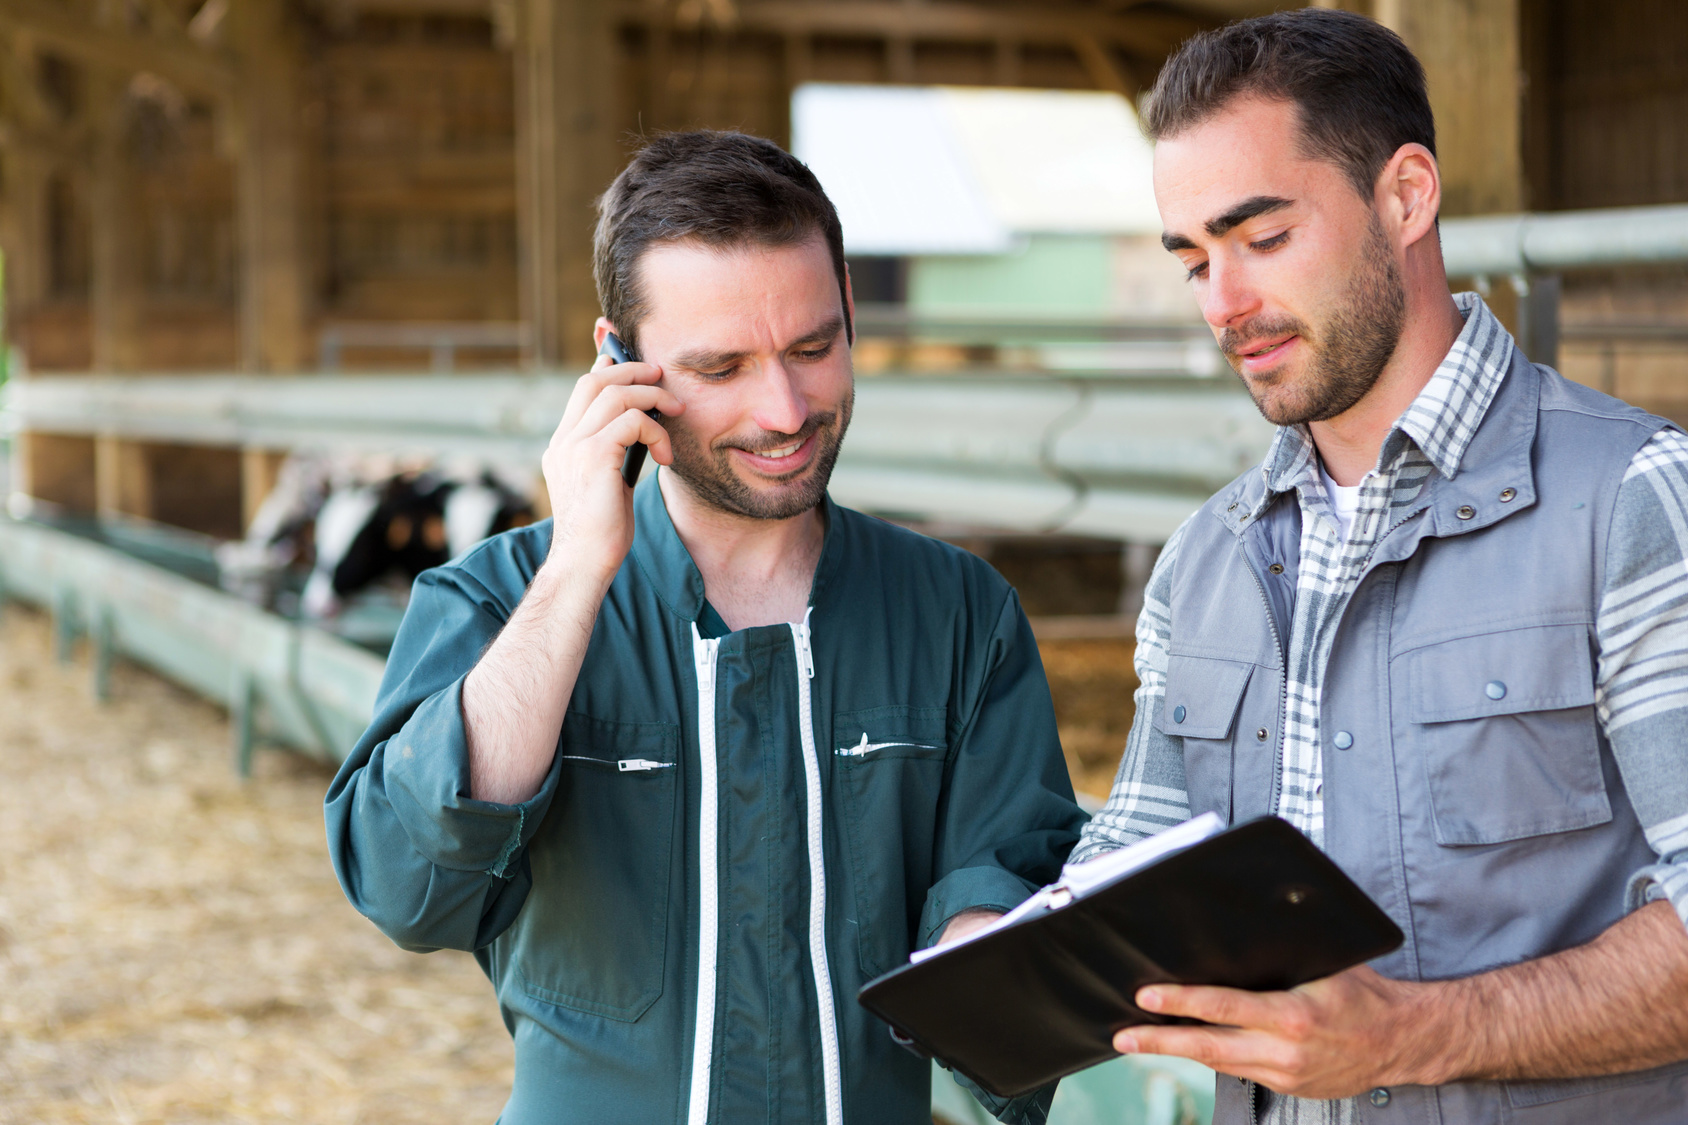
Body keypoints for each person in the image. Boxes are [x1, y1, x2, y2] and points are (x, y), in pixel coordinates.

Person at [324, 130, 1084, 1125]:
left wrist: (989, 944)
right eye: (719, 367)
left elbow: (1010, 876)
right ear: (618, 364)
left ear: (849, 304)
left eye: (813, 347)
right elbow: (404, 884)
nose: (782, 409)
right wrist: (579, 570)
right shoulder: (500, 600)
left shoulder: (957, 615)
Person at [1071, 9, 1688, 1124]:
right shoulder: (1202, 561)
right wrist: (1000, 944)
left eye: (1260, 239)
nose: (1222, 302)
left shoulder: (1631, 502)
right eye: (1192, 259)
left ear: (1404, 196)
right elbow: (1127, 874)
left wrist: (1412, 1033)